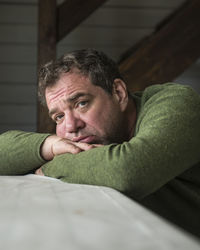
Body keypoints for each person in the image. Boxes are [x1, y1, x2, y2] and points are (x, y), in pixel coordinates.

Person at [0, 48, 200, 238]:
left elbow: (129, 171)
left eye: (81, 103)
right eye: (59, 117)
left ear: (119, 93)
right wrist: (48, 146)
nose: (70, 126)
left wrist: (54, 164)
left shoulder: (176, 102)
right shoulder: (78, 137)